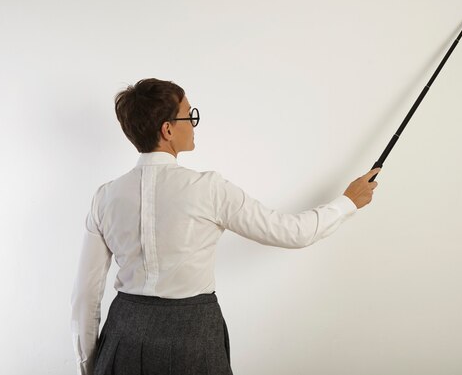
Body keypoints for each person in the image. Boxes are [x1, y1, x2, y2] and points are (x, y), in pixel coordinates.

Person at [69, 78, 381, 375]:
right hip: (193, 337)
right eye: (187, 116)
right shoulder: (209, 189)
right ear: (167, 130)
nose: (192, 123)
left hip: (124, 336)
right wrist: (347, 201)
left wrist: (92, 364)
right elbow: (292, 232)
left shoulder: (105, 197)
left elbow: (85, 295)